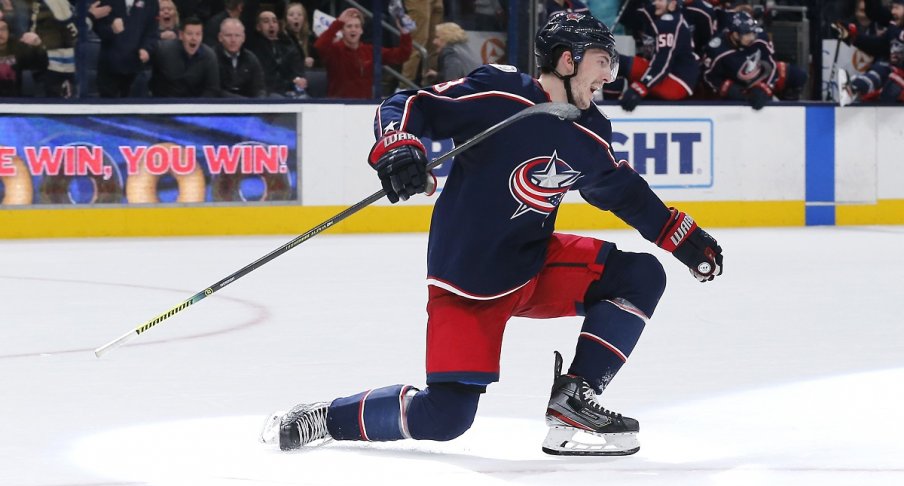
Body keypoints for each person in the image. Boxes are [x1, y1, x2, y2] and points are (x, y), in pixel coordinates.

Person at [261, 11, 723, 456]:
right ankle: (325, 418)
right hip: (466, 282)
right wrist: (398, 147)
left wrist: (684, 239)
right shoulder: (500, 92)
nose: (610, 75)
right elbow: (408, 105)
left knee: (641, 275)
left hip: (534, 266)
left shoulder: (590, 129)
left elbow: (624, 193)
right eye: (603, 61)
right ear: (568, 60)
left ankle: (573, 403)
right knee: (445, 417)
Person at [606, 0, 699, 111]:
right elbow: (629, 16)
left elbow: (663, 62)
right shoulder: (656, 17)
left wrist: (641, 87)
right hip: (669, 77)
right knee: (614, 64)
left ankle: (609, 107)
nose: (656, 3)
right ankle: (611, 106)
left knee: (616, 63)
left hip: (676, 81)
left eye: (660, 0)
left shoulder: (669, 23)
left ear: (673, 4)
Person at [702, 11, 806, 109]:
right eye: (747, 34)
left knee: (798, 75)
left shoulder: (760, 37)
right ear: (735, 34)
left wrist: (765, 88)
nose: (752, 37)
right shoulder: (717, 50)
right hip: (738, 83)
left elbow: (771, 63)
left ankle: (788, 106)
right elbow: (709, 76)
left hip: (762, 75)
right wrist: (728, 88)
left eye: (752, 32)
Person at [314, 7, 412, 99]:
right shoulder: (335, 50)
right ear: (342, 30)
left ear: (361, 30)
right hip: (339, 106)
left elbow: (402, 55)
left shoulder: (371, 51)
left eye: (357, 26)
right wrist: (338, 22)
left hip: (364, 106)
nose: (353, 29)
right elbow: (319, 46)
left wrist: (405, 33)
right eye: (349, 26)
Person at [834, 0, 904, 105]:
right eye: (892, 8)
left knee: (892, 80)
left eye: (897, 8)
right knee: (882, 68)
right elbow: (878, 46)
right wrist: (852, 36)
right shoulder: (894, 28)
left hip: (899, 81)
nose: (892, 12)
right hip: (895, 76)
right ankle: (854, 89)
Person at [91, 0, 159, 98]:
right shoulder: (105, 1)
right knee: (108, 109)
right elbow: (94, 28)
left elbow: (152, 32)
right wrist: (111, 30)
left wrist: (146, 49)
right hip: (109, 67)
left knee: (136, 108)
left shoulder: (151, 2)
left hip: (137, 68)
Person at [150, 16, 219, 96]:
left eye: (198, 34)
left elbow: (212, 88)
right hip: (166, 103)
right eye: (190, 34)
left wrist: (196, 106)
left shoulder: (209, 56)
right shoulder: (163, 50)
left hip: (196, 104)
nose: (194, 38)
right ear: (181, 35)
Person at [245, 10, 307, 97]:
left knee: (305, 98)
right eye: (266, 22)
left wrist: (299, 79)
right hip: (268, 92)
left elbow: (298, 71)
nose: (271, 25)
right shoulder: (254, 47)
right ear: (258, 27)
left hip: (290, 90)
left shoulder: (288, 45)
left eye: (274, 21)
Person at [215, 17, 264, 97]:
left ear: (243, 38)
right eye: (228, 35)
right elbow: (214, 89)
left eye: (237, 35)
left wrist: (259, 103)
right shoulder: (212, 58)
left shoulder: (251, 58)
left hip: (248, 105)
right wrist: (239, 101)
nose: (233, 40)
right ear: (220, 37)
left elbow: (259, 88)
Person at [0, 17, 47, 96]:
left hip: (16, 99)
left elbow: (41, 65)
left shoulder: (18, 48)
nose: (0, 33)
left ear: (9, 32)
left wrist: (38, 46)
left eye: (3, 29)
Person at [284, 2, 315, 68]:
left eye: (299, 14)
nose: (296, 17)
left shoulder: (311, 37)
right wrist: (301, 62)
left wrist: (312, 61)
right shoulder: (283, 39)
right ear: (286, 20)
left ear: (304, 19)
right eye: (291, 15)